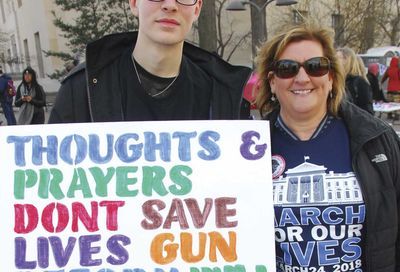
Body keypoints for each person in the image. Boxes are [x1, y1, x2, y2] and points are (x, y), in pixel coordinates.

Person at [256, 23, 400, 271]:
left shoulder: (378, 141)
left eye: (316, 66)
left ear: (331, 78)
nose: (302, 78)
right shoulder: (249, 149)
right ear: (272, 81)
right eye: (287, 69)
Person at [48, 0, 252, 123]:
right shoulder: (81, 91)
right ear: (134, 3)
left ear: (197, 9)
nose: (171, 5)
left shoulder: (222, 96)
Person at [336, 47, 374, 114]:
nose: (333, 61)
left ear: (346, 60)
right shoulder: (335, 81)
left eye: (337, 58)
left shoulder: (359, 82)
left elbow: (368, 111)